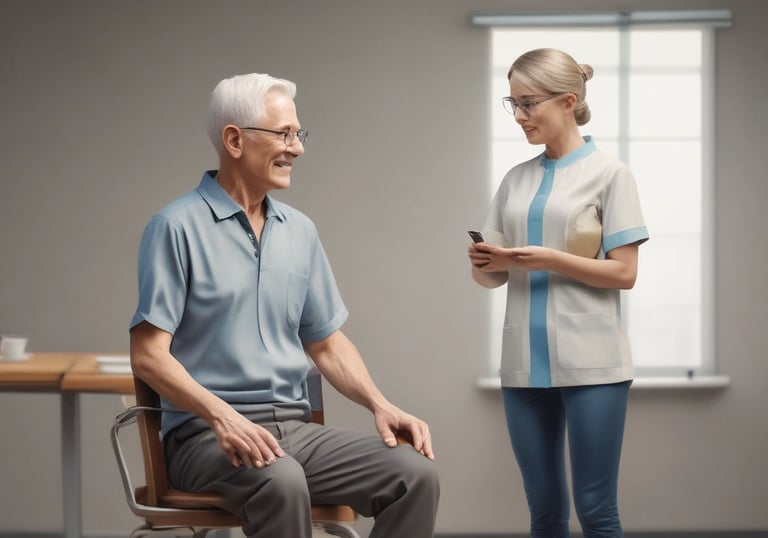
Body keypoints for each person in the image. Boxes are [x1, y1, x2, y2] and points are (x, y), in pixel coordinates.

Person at [129, 72, 439, 538]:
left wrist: (380, 404)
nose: (297, 148)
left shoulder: (300, 231)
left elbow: (327, 343)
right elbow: (148, 355)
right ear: (234, 140)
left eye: (298, 134)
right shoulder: (175, 227)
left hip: (292, 431)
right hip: (203, 436)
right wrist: (222, 417)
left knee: (415, 474)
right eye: (284, 134)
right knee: (281, 479)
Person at [468, 48, 649, 537]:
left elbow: (624, 273)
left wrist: (548, 258)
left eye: (529, 104)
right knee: (544, 513)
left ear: (568, 101)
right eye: (513, 104)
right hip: (523, 364)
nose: (520, 117)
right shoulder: (515, 179)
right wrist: (486, 263)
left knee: (596, 510)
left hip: (594, 364)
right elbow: (494, 277)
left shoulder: (612, 175)